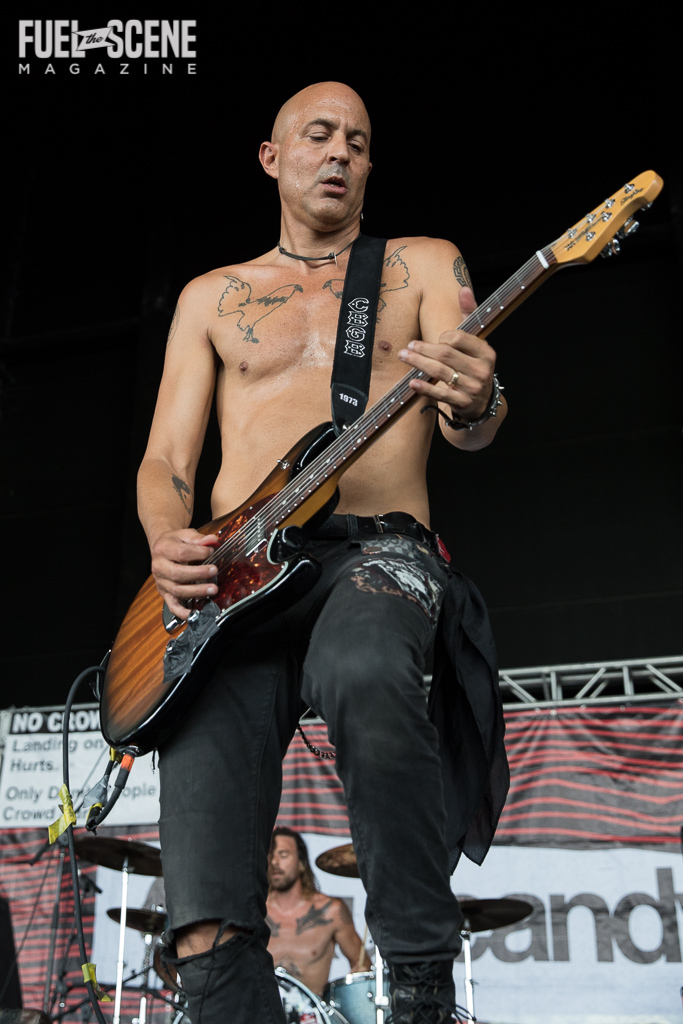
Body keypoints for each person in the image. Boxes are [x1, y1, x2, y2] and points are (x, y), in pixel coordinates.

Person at [143, 81, 508, 1024]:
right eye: (319, 134)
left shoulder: (422, 264)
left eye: (358, 139)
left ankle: (419, 983)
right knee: (201, 866)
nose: (340, 150)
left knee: (364, 667)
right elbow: (167, 460)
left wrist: (479, 400)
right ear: (273, 158)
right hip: (234, 574)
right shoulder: (210, 296)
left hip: (374, 552)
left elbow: (470, 423)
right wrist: (165, 542)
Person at [267, 826, 370, 996]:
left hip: (312, 1010)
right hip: (261, 1008)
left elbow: (362, 965)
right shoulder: (255, 911)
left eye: (283, 855)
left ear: (300, 862)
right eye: (270, 855)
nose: (274, 862)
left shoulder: (331, 910)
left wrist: (358, 978)